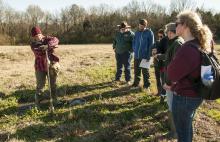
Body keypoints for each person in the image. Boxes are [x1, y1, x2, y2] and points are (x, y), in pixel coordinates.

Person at [167, 11, 213, 142]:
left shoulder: (187, 48)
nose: (175, 27)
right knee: (186, 128)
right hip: (196, 95)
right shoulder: (200, 44)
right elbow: (204, 76)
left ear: (185, 25)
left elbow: (171, 74)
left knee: (183, 133)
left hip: (184, 98)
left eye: (177, 23)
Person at [162, 23, 184, 138]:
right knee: (171, 106)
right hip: (171, 82)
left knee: (173, 107)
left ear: (171, 32)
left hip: (172, 84)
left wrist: (169, 83)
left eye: (167, 32)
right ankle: (174, 130)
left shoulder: (177, 43)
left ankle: (174, 132)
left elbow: (176, 66)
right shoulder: (175, 43)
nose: (167, 35)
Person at [30, 26, 61, 107]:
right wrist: (50, 48)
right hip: (40, 67)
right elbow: (39, 52)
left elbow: (56, 40)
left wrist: (48, 46)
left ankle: (55, 100)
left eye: (39, 35)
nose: (38, 37)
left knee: (53, 85)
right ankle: (38, 104)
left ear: (41, 34)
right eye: (35, 36)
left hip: (51, 65)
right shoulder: (33, 44)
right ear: (33, 37)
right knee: (40, 86)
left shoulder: (47, 39)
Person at [132, 19, 154, 89]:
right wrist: (134, 49)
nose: (141, 27)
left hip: (145, 56)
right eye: (140, 25)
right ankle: (136, 84)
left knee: (145, 72)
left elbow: (151, 44)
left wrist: (149, 55)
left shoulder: (149, 33)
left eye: (142, 25)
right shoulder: (136, 32)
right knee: (136, 71)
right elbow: (134, 42)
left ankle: (146, 85)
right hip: (136, 56)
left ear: (145, 25)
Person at [152, 29, 168, 102]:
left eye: (161, 36)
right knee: (158, 79)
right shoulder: (156, 42)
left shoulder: (167, 43)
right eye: (158, 36)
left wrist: (159, 55)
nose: (159, 38)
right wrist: (153, 52)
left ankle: (163, 95)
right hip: (156, 64)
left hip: (163, 65)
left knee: (164, 80)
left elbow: (166, 55)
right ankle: (159, 92)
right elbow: (152, 52)